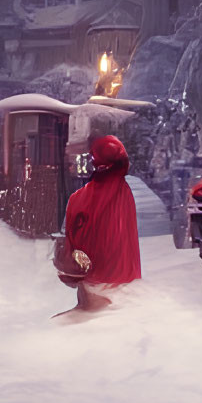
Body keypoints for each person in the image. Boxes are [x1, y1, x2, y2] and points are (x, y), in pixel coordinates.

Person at [58, 131, 141, 313]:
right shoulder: (124, 194)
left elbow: (71, 235)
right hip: (123, 281)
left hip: (90, 276)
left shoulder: (78, 198)